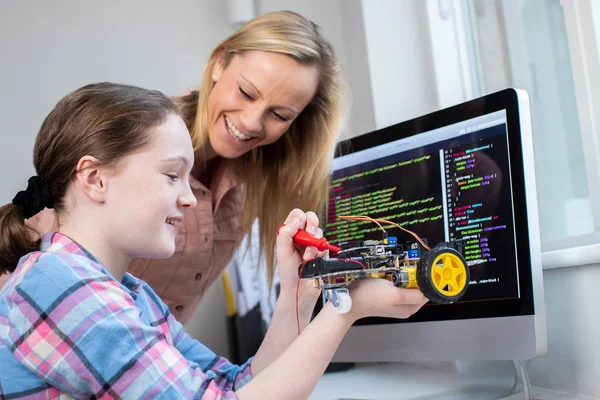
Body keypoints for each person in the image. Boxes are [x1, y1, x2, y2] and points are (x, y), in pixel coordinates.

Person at [0, 83, 426, 399]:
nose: (188, 198)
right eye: (171, 175)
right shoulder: (59, 283)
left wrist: (298, 292)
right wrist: (344, 311)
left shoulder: (132, 295)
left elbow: (235, 384)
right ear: (94, 179)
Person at [1, 10, 349, 325]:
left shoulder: (255, 177)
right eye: (245, 92)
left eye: (280, 115)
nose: (253, 122)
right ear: (219, 63)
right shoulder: (135, 142)